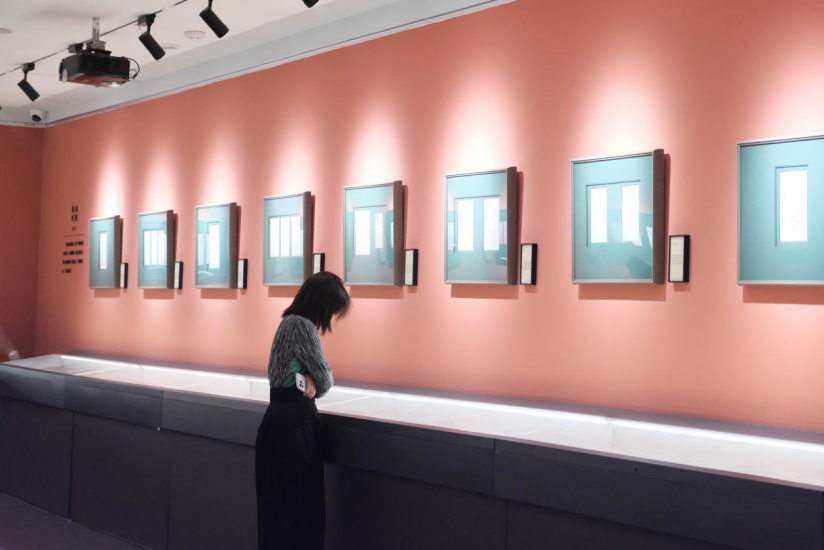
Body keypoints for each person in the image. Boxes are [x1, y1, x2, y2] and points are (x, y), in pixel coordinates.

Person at [255, 271, 351, 550]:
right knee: (301, 512)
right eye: (332, 310)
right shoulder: (302, 326)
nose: (330, 317)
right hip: (295, 426)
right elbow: (325, 379)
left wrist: (311, 376)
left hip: (277, 421)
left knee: (276, 511)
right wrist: (315, 378)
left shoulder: (287, 323)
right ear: (322, 303)